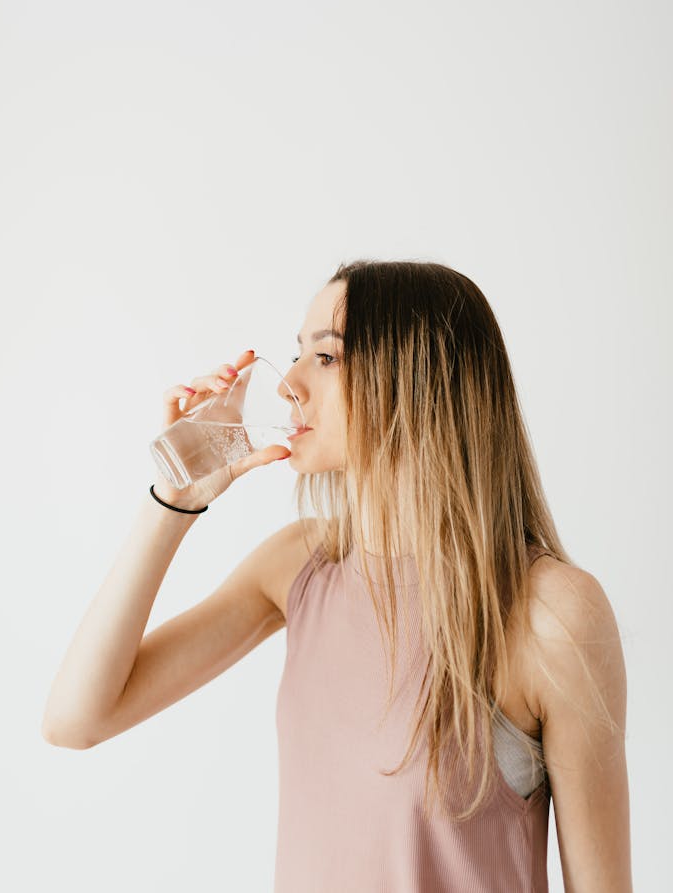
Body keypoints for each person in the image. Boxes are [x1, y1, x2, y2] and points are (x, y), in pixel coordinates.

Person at [42, 259, 632, 892]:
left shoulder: (552, 612)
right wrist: (175, 498)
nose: (287, 384)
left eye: (326, 358)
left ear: (417, 378)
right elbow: (76, 719)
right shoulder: (297, 567)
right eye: (298, 354)